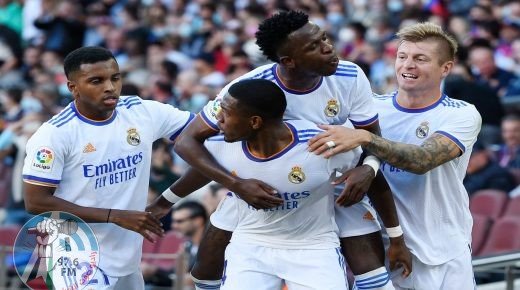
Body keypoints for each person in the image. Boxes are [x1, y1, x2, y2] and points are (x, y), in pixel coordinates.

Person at [172, 10, 410, 290]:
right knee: (205, 268)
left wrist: (368, 169)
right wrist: (235, 184)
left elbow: (372, 139)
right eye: (313, 46)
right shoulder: (246, 91)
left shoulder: (350, 75)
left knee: (371, 271)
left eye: (324, 38)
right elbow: (187, 142)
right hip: (259, 192)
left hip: (329, 182)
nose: (328, 48)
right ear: (289, 61)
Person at [307, 22, 481, 289]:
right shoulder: (371, 108)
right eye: (402, 57)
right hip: (384, 248)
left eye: (420, 59)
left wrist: (367, 137)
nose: (408, 65)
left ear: (446, 68)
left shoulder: (460, 114)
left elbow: (422, 161)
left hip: (445, 247)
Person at [156, 78, 359, 289]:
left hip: (313, 247)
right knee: (204, 273)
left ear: (254, 122)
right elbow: (203, 171)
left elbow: (364, 160)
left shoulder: (320, 145)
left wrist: (368, 169)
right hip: (251, 244)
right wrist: (164, 202)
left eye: (226, 112)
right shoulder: (220, 144)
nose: (218, 119)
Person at [21, 46, 194, 289]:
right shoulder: (54, 134)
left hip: (128, 259)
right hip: (77, 258)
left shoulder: (142, 112)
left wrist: (166, 200)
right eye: (96, 81)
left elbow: (200, 133)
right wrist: (114, 216)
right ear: (73, 87)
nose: (110, 87)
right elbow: (36, 202)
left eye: (115, 78)